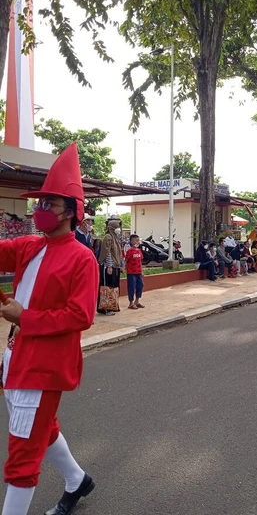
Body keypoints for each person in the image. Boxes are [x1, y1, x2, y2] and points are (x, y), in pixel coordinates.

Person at [0, 143, 98, 515]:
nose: (40, 211)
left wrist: (24, 316)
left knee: (22, 457)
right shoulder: (30, 246)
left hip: (42, 366)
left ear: (71, 211)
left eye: (49, 205)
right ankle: (77, 481)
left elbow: (79, 316)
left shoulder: (82, 258)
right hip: (16, 357)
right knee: (43, 429)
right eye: (38, 204)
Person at [97, 215, 124, 316]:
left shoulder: (116, 238)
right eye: (117, 227)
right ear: (112, 228)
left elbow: (119, 253)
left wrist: (121, 265)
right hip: (108, 267)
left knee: (114, 287)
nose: (119, 229)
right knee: (106, 287)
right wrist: (109, 266)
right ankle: (105, 309)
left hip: (115, 266)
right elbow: (107, 252)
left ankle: (113, 306)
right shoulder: (108, 237)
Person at [125, 234, 145, 310]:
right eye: (136, 240)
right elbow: (126, 261)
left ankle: (137, 301)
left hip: (138, 272)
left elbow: (140, 261)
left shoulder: (139, 251)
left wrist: (142, 271)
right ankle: (131, 303)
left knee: (140, 286)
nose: (138, 242)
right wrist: (125, 268)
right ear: (131, 241)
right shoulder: (129, 251)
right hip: (131, 273)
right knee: (131, 287)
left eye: (138, 240)